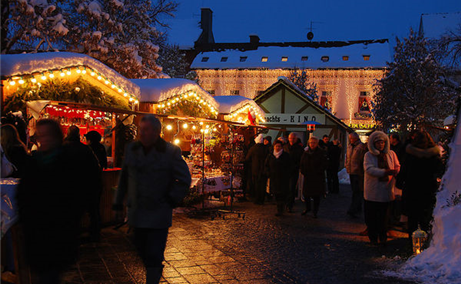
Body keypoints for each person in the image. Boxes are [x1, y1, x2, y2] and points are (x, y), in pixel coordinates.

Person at [113, 115, 191, 284]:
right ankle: (153, 270)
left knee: (154, 255)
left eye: (146, 130)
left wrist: (171, 199)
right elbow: (125, 177)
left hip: (158, 213)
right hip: (137, 213)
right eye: (141, 129)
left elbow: (184, 179)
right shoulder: (132, 149)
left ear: (156, 132)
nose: (142, 133)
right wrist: (118, 204)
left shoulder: (170, 151)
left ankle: (153, 279)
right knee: (140, 249)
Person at [17, 119, 87, 284]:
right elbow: (23, 195)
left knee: (50, 275)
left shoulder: (68, 161)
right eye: (40, 135)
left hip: (59, 231)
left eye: (47, 135)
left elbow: (78, 194)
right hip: (37, 232)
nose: (44, 139)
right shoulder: (33, 162)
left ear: (57, 136)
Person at [401, 131, 443, 238]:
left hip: (412, 189)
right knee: (426, 217)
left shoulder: (410, 154)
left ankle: (413, 243)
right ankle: (425, 241)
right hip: (428, 189)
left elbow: (404, 171)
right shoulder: (434, 155)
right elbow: (440, 170)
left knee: (413, 218)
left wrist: (399, 184)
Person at [64, 126, 102, 242]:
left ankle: (71, 236)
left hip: (71, 186)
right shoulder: (85, 149)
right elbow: (96, 166)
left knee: (72, 214)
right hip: (88, 185)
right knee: (92, 211)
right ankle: (95, 234)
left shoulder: (63, 148)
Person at [363, 131, 400, 246]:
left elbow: (397, 165)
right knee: (372, 217)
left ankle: (383, 237)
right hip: (373, 191)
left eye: (383, 143)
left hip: (386, 190)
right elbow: (369, 169)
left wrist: (395, 171)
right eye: (378, 143)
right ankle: (373, 238)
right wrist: (385, 172)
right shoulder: (368, 155)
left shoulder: (391, 154)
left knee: (384, 217)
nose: (381, 145)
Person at [300, 137, 328, 218]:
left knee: (316, 195)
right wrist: (303, 171)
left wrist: (317, 171)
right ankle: (307, 208)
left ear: (317, 143)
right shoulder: (306, 152)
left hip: (317, 177)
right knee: (306, 194)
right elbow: (302, 162)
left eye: (314, 143)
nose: (312, 144)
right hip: (308, 176)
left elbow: (324, 164)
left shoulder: (321, 153)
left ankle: (315, 211)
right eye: (311, 142)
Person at [265, 140, 291, 216]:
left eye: (279, 146)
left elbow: (289, 166)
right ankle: (279, 208)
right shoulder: (270, 155)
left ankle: (281, 209)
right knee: (276, 194)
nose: (277, 148)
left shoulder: (286, 155)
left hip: (283, 178)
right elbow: (266, 165)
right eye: (276, 146)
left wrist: (287, 174)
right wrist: (268, 173)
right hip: (274, 178)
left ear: (282, 147)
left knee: (282, 194)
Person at [345, 132, 367, 218]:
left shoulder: (361, 147)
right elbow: (348, 157)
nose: (350, 140)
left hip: (358, 172)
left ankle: (354, 208)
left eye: (351, 138)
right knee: (355, 190)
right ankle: (357, 207)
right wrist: (347, 166)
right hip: (351, 171)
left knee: (357, 191)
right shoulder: (350, 146)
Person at [245, 134, 269, 205]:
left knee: (256, 184)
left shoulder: (253, 148)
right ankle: (262, 199)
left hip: (255, 169)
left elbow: (247, 158)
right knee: (263, 184)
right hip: (264, 169)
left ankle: (257, 199)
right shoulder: (266, 149)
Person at [284, 133, 304, 212]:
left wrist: (297, 166)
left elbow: (301, 160)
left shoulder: (299, 148)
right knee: (285, 188)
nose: (291, 140)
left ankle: (290, 205)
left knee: (292, 188)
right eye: (290, 138)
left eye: (293, 138)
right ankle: (285, 203)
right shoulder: (285, 147)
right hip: (285, 171)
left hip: (294, 170)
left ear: (296, 139)